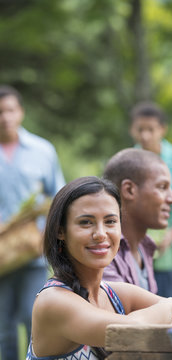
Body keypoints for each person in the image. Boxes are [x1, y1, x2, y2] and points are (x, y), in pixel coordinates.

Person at [26, 176, 172, 360]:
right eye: (86, 222)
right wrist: (170, 306)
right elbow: (129, 330)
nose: (101, 234)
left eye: (110, 221)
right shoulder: (53, 301)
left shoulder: (115, 294)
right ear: (61, 231)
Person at [0, 85, 65, 360]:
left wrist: (46, 238)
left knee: (34, 319)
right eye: (0, 112)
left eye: (10, 110)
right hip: (0, 257)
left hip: (32, 253)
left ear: (21, 113)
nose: (5, 117)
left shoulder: (42, 150)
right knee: (2, 328)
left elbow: (58, 198)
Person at [129, 101, 172, 297]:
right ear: (131, 129)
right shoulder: (126, 161)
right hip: (136, 250)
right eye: (140, 129)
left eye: (151, 129)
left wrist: (171, 234)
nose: (145, 135)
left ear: (162, 129)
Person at [102, 148, 172, 293]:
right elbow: (134, 311)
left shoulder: (144, 247)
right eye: (162, 187)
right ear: (129, 190)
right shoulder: (102, 250)